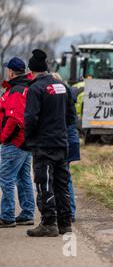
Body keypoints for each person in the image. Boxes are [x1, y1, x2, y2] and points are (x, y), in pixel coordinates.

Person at [25, 49, 76, 237]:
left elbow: (30, 118)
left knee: (44, 183)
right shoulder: (61, 85)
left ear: (32, 71)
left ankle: (48, 222)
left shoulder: (35, 88)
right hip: (61, 143)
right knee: (62, 183)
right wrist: (61, 129)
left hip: (44, 145)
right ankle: (65, 223)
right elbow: (71, 115)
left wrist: (30, 139)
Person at [0, 58, 35, 228]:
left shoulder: (16, 90)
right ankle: (27, 213)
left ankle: (7, 216)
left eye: (8, 70)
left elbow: (14, 118)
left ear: (11, 72)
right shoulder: (27, 87)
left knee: (6, 178)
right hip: (26, 141)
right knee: (23, 177)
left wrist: (3, 138)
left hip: (15, 142)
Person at [53, 73, 80, 222]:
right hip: (72, 139)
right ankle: (68, 211)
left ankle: (68, 211)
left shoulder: (60, 100)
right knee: (65, 177)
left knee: (63, 178)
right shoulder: (70, 96)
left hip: (65, 140)